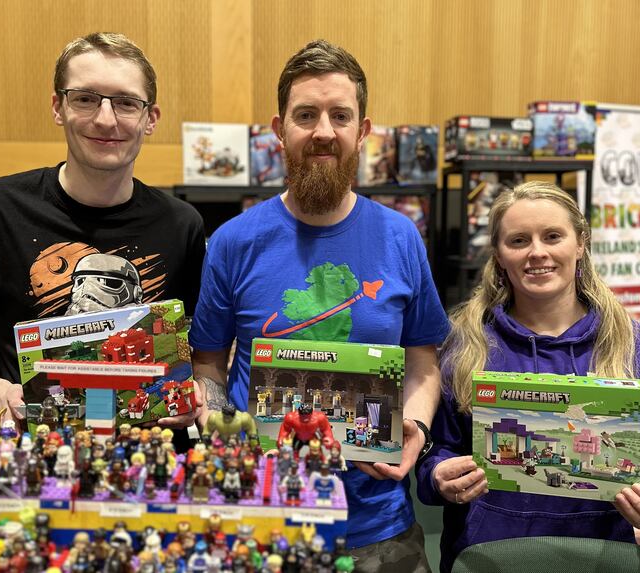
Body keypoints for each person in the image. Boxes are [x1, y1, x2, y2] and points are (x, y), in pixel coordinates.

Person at [188, 39, 449, 572]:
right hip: (260, 518)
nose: (324, 131)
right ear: (278, 128)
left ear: (363, 130)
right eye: (305, 115)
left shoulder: (402, 237)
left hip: (378, 526)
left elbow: (423, 358)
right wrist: (222, 441)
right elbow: (209, 362)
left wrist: (416, 431)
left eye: (340, 115)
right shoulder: (233, 242)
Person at [0, 33, 205, 450]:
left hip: (150, 455)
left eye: (126, 102)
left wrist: (193, 391)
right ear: (58, 107)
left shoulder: (183, 224)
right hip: (34, 454)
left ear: (150, 117)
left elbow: (198, 345)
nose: (106, 120)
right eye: (85, 98)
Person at [416, 181, 640, 573]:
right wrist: (438, 478)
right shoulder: (463, 346)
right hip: (486, 556)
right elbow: (434, 452)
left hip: (599, 557)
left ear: (580, 243)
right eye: (518, 240)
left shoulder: (638, 348)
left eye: (552, 236)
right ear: (498, 254)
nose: (537, 253)